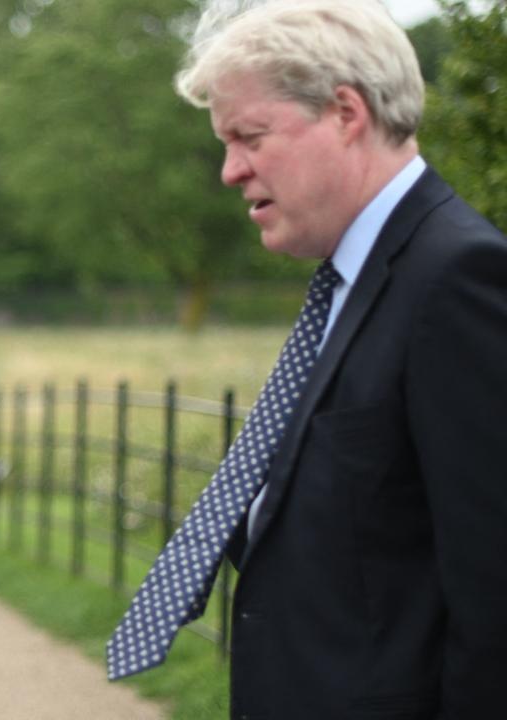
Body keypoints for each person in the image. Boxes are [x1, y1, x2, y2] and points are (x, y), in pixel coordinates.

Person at [106, 2, 507, 717]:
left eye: (248, 136)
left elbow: (493, 594)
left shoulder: (455, 279)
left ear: (346, 113)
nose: (231, 171)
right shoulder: (354, 281)